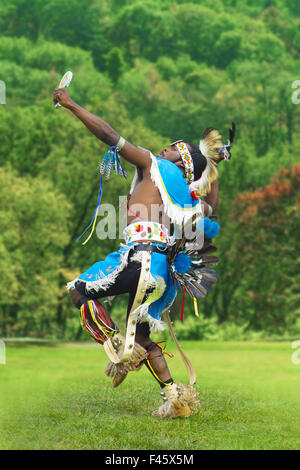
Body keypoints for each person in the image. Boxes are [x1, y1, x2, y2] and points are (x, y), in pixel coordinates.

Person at [53, 87, 235, 419]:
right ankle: (175, 397)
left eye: (170, 147)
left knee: (79, 290)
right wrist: (214, 171)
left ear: (180, 159)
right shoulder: (185, 197)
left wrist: (71, 105)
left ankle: (119, 347)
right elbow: (210, 209)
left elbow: (111, 136)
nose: (162, 148)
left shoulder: (152, 164)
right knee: (144, 334)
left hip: (140, 259)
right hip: (161, 274)